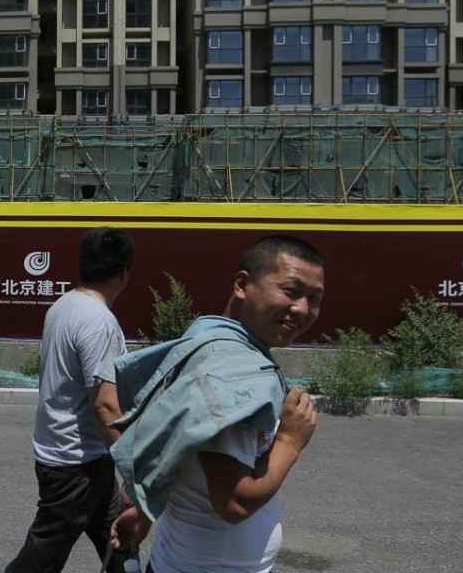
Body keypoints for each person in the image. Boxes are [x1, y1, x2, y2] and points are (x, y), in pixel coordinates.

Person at [109, 235, 322, 573]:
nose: (302, 309)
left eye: (314, 298)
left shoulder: (207, 341)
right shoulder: (235, 375)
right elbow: (235, 502)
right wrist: (290, 441)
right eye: (291, 291)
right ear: (242, 284)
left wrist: (146, 509)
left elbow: (178, 440)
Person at [5, 227, 139, 573]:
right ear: (123, 271)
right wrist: (135, 468)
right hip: (75, 465)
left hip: (82, 457)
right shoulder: (99, 321)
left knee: (120, 542)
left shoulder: (63, 305)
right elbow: (104, 405)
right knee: (39, 559)